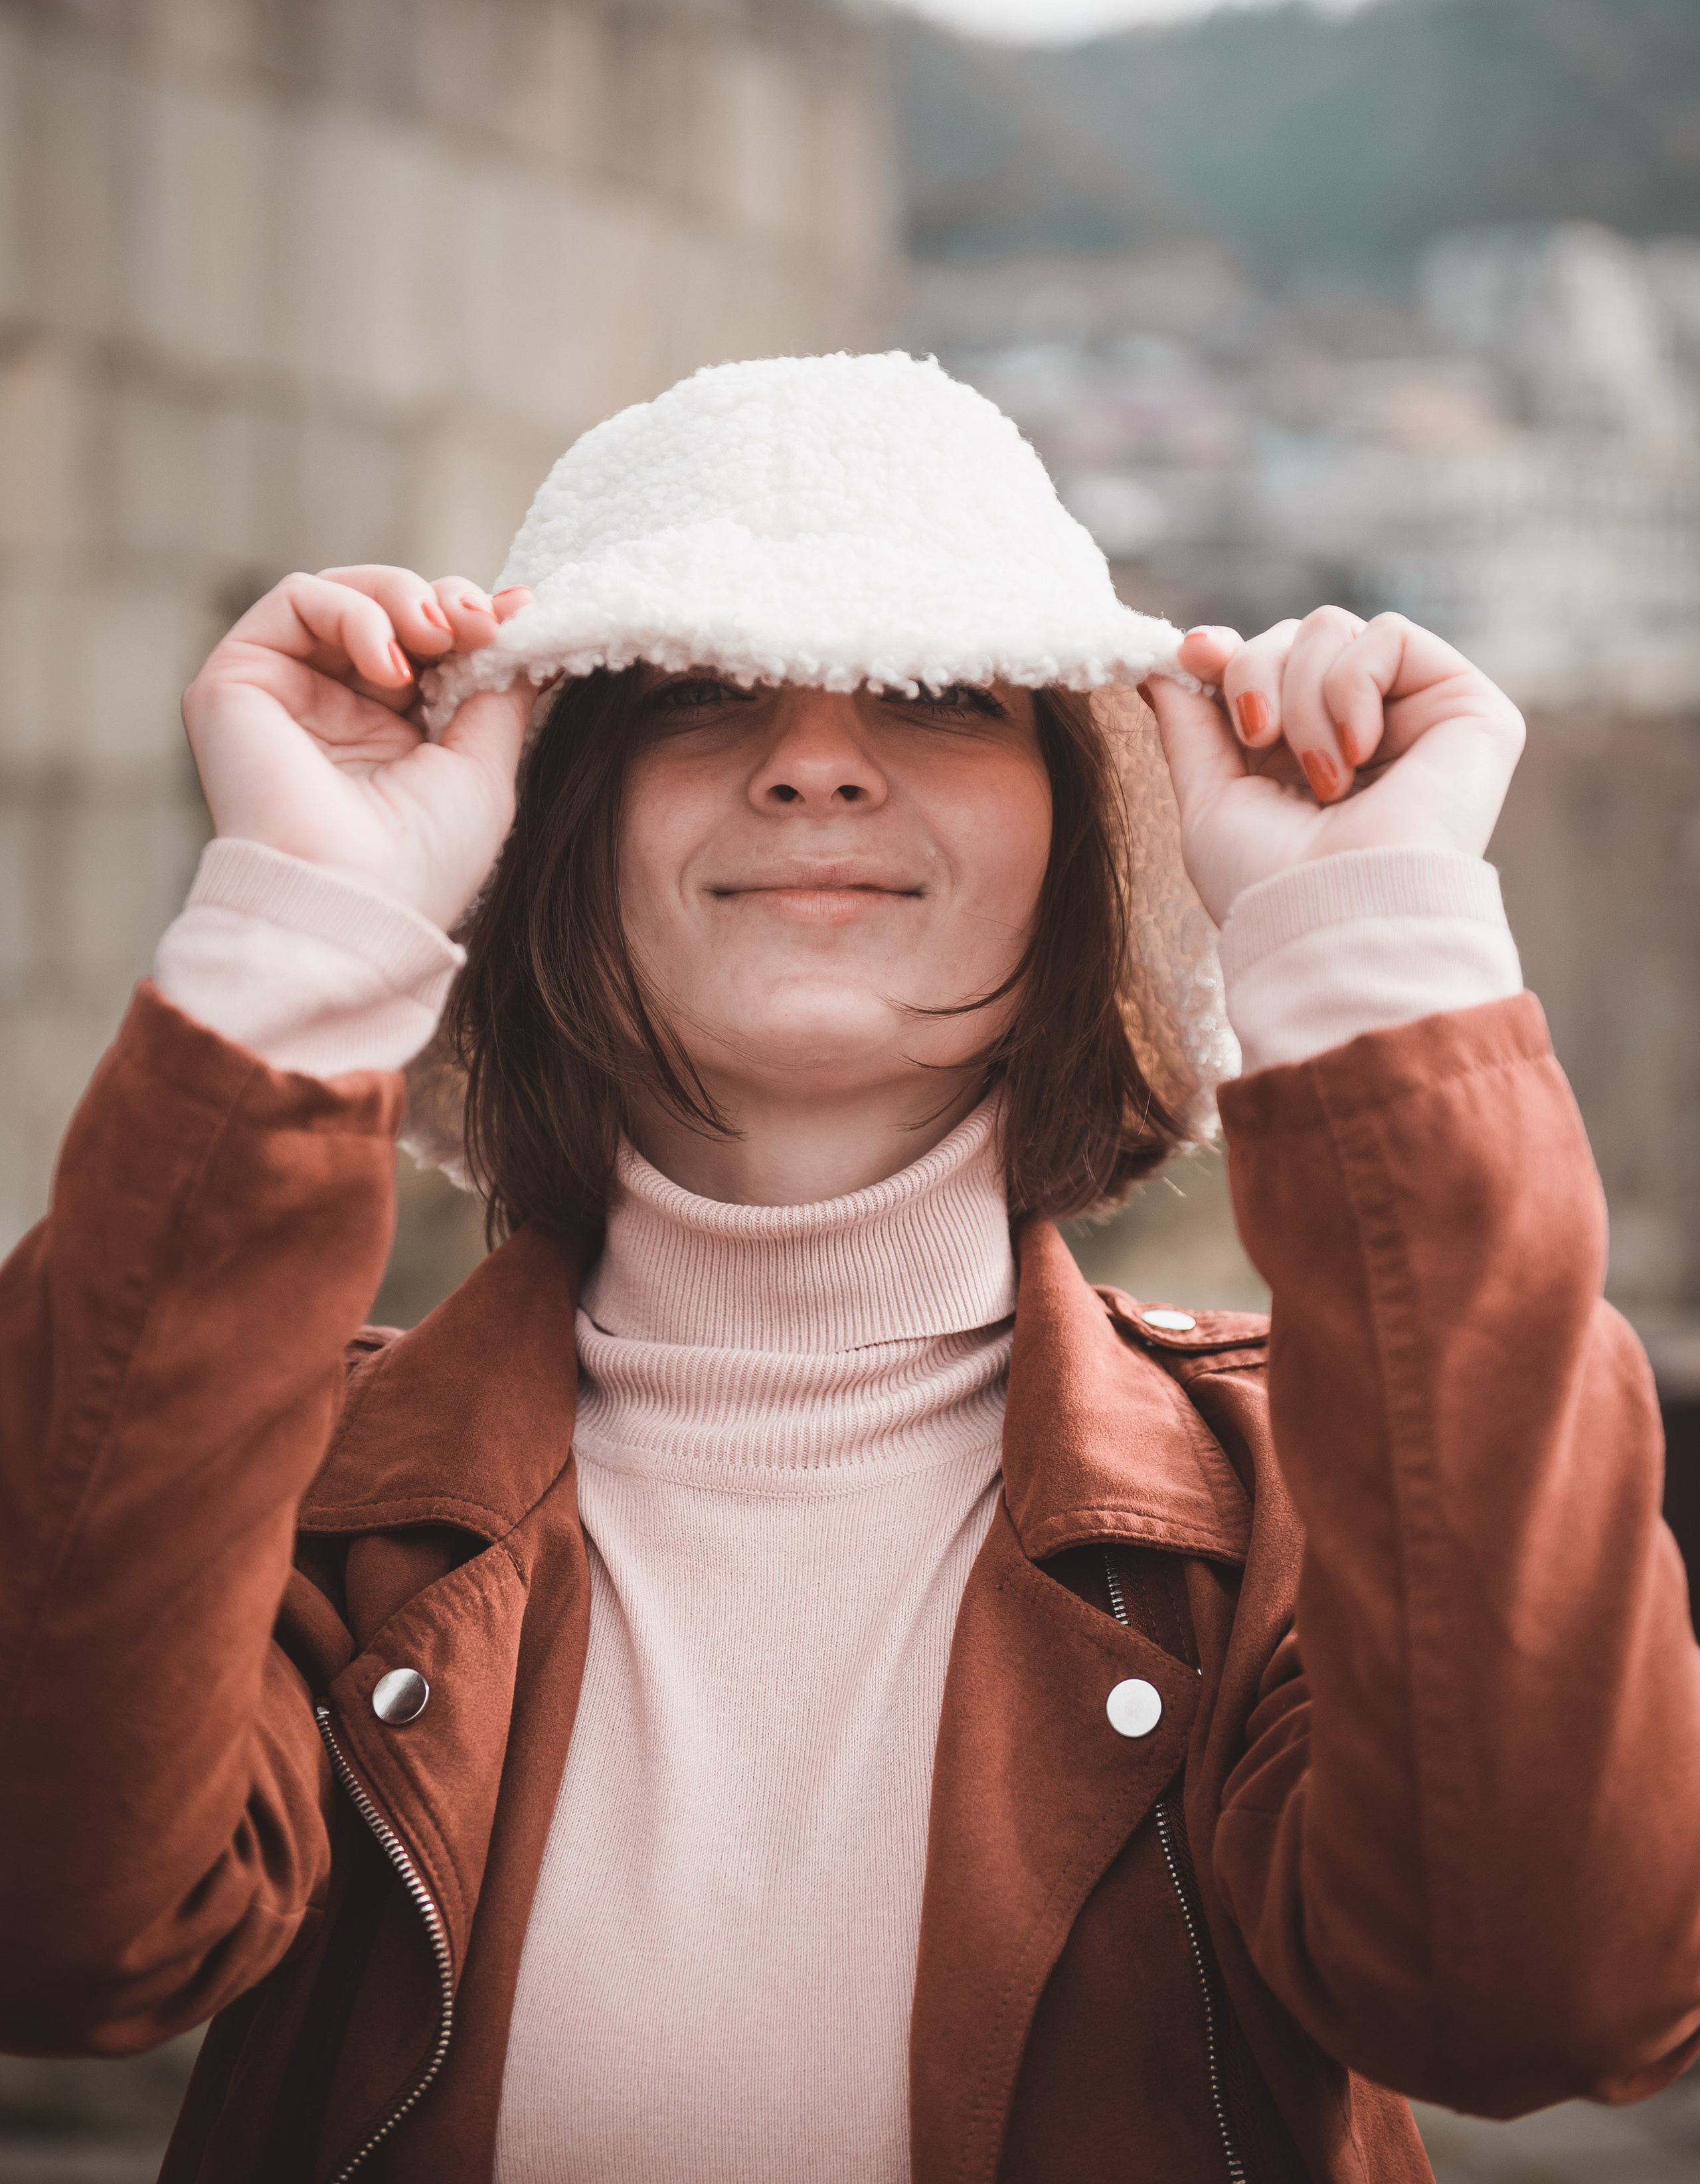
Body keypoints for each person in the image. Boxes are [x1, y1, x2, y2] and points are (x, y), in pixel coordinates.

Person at [1, 350, 1697, 2184]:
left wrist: (1371, 937)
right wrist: (301, 917)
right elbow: (60, 1931)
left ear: (1074, 844)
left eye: (944, 694)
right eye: (703, 691)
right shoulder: (297, 1504)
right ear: (557, 827)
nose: (815, 759)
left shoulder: (1289, 1503)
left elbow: (1549, 2000)